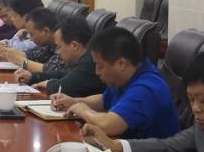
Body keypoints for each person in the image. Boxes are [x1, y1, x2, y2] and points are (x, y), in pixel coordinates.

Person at [51, 26, 179, 139]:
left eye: (100, 66)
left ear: (121, 64)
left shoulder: (146, 88)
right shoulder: (128, 76)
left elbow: (108, 125)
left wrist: (83, 110)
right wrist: (74, 102)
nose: (97, 72)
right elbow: (104, 100)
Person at [33, 16, 103, 98]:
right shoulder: (84, 59)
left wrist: (48, 83)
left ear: (74, 45)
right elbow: (64, 74)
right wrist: (33, 76)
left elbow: (63, 88)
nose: (57, 52)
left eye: (59, 47)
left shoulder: (89, 62)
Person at [1, 7, 63, 82]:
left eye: (31, 34)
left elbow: (52, 71)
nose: (30, 38)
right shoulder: (48, 43)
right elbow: (34, 54)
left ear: (45, 31)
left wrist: (21, 61)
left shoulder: (63, 43)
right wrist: (13, 54)